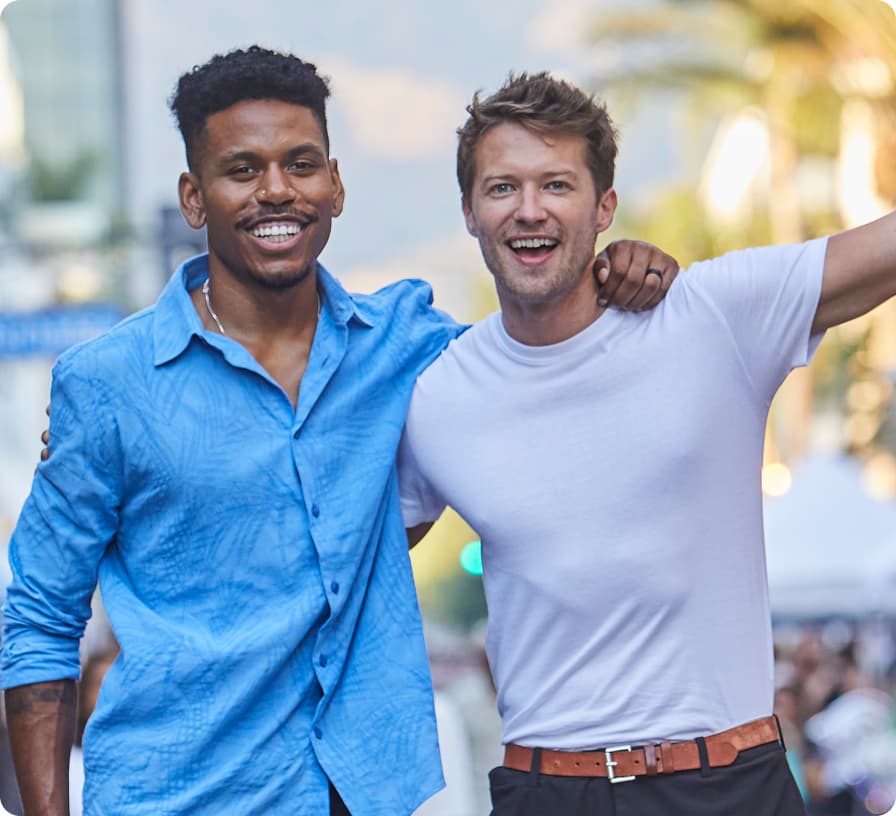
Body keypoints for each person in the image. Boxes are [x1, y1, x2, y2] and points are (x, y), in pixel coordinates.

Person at [0, 49, 677, 816]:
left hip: (360, 795)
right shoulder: (109, 384)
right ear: (195, 198)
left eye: (301, 164)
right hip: (175, 795)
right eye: (242, 170)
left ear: (337, 185)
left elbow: (538, 341)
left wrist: (618, 266)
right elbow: (38, 621)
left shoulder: (409, 348)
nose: (277, 191)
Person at [397, 71, 896, 816]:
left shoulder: (709, 316)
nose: (529, 211)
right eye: (502, 188)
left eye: (557, 185)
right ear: (469, 211)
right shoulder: (434, 398)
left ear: (604, 207)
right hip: (549, 792)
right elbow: (348, 573)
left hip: (732, 784)